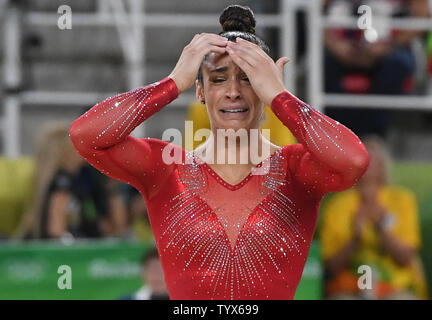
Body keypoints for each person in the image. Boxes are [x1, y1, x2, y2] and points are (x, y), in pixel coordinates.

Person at [69, 5, 369, 299]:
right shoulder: (167, 170)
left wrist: (281, 97)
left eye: (248, 78)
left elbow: (354, 161)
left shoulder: (296, 171)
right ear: (200, 90)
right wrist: (172, 83)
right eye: (219, 78)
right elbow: (85, 136)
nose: (233, 92)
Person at [320, 136, 428, 299]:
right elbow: (330, 268)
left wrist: (382, 231)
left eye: (372, 159)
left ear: (383, 166)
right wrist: (355, 239)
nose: (366, 164)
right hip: (347, 288)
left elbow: (406, 258)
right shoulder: (337, 205)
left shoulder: (402, 200)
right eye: (361, 158)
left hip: (394, 288)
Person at [323, 0, 429, 138]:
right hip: (339, 48)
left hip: (392, 48)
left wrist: (389, 45)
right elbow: (314, 12)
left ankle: (372, 137)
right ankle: (336, 137)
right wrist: (336, 46)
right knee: (321, 66)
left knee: (398, 65)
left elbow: (420, 18)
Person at [14, 122, 127, 240]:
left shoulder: (73, 180)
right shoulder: (63, 180)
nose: (82, 156)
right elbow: (56, 229)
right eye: (77, 149)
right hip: (61, 249)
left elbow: (114, 228)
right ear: (66, 153)